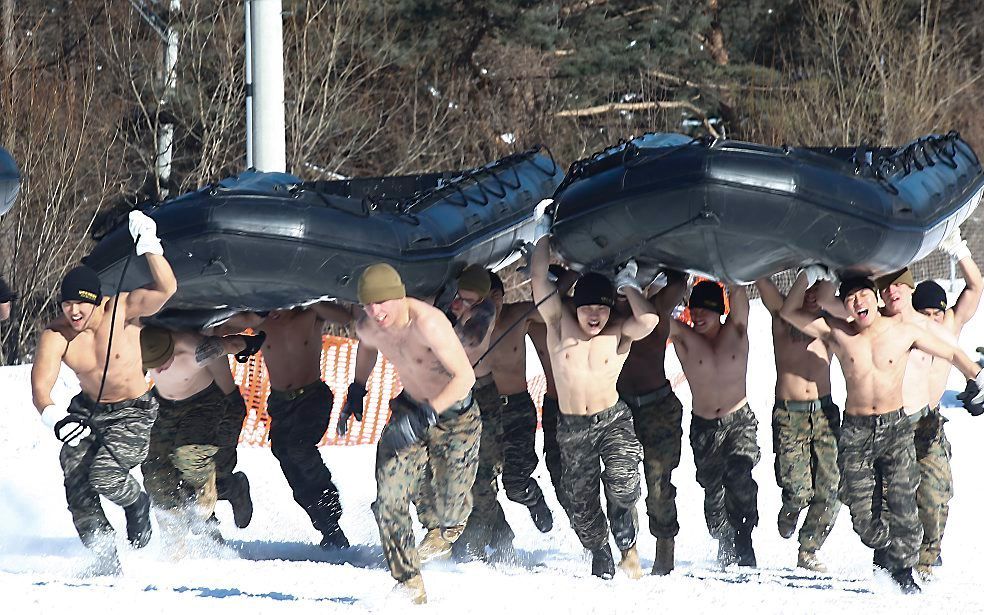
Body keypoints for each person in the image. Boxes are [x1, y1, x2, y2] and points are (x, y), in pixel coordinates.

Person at [780, 270, 984, 593]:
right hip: (856, 433)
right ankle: (885, 550)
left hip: (895, 429)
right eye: (849, 298)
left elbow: (950, 350)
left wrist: (975, 374)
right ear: (843, 307)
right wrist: (808, 274)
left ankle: (902, 572)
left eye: (862, 295)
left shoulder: (901, 332)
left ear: (875, 299)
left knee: (904, 506)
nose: (857, 302)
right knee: (864, 519)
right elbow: (788, 312)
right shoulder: (838, 333)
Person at [30, 211, 176, 574]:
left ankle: (137, 503)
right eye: (66, 304)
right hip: (88, 411)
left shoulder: (122, 310)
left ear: (97, 300)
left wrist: (150, 246)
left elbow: (166, 289)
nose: (73, 311)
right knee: (75, 475)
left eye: (80, 303)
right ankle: (103, 556)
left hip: (133, 410)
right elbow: (40, 386)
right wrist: (54, 418)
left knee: (106, 475)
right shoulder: (56, 334)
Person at [352, 263, 480, 604]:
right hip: (409, 410)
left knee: (451, 507)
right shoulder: (369, 324)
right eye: (369, 304)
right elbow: (365, 345)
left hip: (455, 418)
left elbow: (465, 377)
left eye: (383, 303)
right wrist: (357, 387)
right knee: (388, 498)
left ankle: (446, 531)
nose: (377, 312)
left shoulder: (429, 324)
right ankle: (409, 582)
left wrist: (430, 411)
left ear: (400, 296)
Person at [531, 236, 658, 580]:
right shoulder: (558, 322)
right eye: (588, 308)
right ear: (576, 306)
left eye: (602, 308)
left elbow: (649, 320)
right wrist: (541, 234)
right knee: (582, 508)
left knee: (623, 483)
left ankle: (628, 544)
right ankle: (600, 549)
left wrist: (629, 285)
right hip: (573, 427)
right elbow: (540, 281)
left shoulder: (617, 329)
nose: (595, 316)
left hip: (612, 419)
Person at [899, 227, 981, 578]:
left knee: (937, 493)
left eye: (937, 312)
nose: (932, 319)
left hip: (931, 422)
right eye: (925, 312)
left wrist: (958, 249)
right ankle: (900, 552)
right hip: (900, 422)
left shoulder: (949, 328)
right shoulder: (906, 330)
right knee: (898, 498)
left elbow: (976, 287)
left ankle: (929, 554)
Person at [139, 326, 264, 545]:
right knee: (156, 473)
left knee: (193, 460)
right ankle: (176, 539)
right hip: (164, 406)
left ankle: (232, 491)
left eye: (162, 362)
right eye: (152, 365)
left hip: (204, 404)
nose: (158, 370)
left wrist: (253, 341)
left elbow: (233, 343)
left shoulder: (196, 348)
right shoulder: (139, 348)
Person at [670, 280, 760, 568]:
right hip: (704, 427)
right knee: (713, 491)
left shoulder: (736, 330)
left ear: (719, 311)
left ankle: (744, 538)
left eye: (704, 311)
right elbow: (656, 317)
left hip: (738, 422)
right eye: (693, 309)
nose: (697, 316)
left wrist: (730, 266)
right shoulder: (685, 338)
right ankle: (724, 538)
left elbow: (740, 292)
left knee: (740, 475)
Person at [755, 273, 841, 572]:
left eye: (819, 288)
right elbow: (761, 281)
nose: (812, 295)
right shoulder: (782, 315)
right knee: (799, 490)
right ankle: (790, 511)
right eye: (808, 287)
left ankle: (809, 549)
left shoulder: (831, 323)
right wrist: (806, 274)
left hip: (824, 412)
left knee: (831, 487)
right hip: (790, 414)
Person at [257, 303, 354, 549]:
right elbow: (225, 321)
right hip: (280, 402)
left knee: (300, 448)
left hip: (312, 397)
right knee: (286, 456)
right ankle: (327, 526)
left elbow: (346, 317)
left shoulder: (311, 314)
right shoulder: (260, 321)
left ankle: (329, 502)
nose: (275, 309)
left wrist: (312, 299)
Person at [616, 270, 687, 575]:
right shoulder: (602, 313)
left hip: (658, 406)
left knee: (659, 485)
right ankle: (628, 549)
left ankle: (664, 549)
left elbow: (679, 281)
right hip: (621, 408)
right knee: (622, 483)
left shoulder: (656, 307)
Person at [527, 264, 579, 521]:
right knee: (557, 471)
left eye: (540, 287)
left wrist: (572, 274)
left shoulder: (579, 315)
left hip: (583, 408)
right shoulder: (533, 320)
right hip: (553, 404)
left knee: (592, 474)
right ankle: (583, 529)